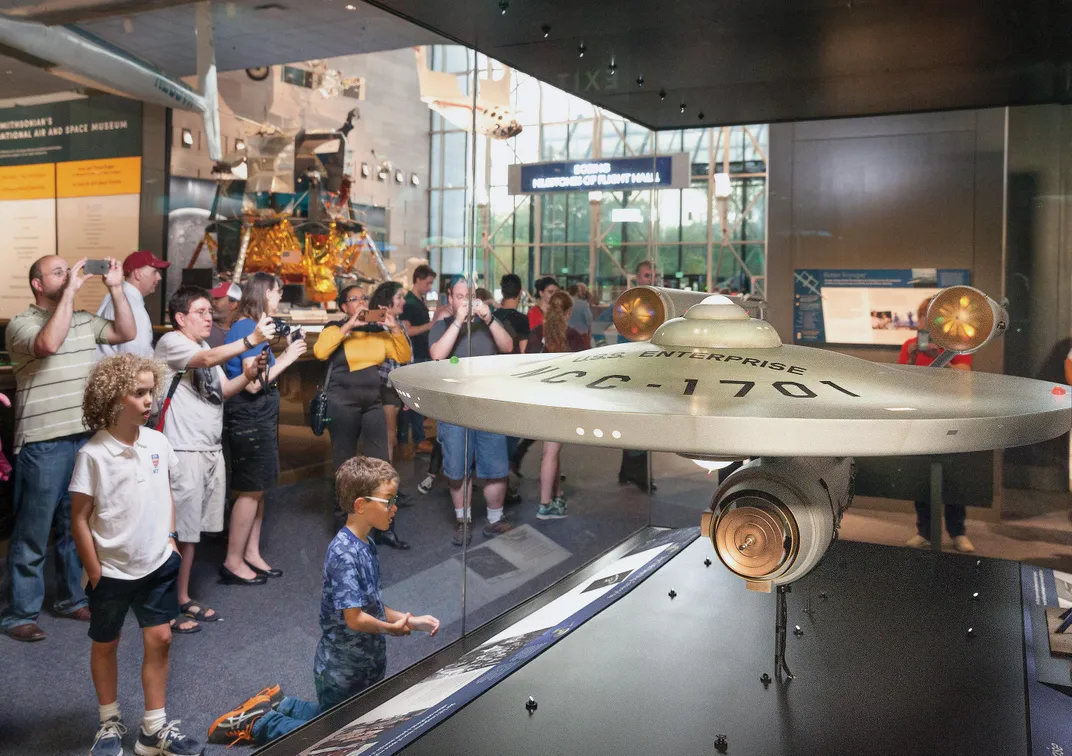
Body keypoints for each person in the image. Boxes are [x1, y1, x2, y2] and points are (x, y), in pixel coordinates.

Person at [206, 457, 439, 747]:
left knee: (344, 722)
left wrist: (408, 619)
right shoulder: (343, 553)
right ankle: (260, 722)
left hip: (365, 663)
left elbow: (371, 605)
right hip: (342, 669)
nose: (394, 508)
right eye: (388, 501)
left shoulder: (366, 543)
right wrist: (391, 630)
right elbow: (354, 618)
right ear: (360, 506)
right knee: (333, 740)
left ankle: (282, 704)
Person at [70, 354, 203, 756]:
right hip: (109, 571)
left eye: (151, 392)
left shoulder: (158, 442)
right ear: (113, 399)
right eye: (139, 393)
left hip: (158, 563)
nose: (150, 401)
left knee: (161, 638)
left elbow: (166, 493)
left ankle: (153, 729)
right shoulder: (93, 454)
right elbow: (79, 518)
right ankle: (109, 722)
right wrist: (94, 569)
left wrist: (171, 540)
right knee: (106, 643)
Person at [1, 256, 137, 643]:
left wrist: (115, 287)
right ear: (37, 285)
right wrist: (71, 294)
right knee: (33, 531)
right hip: (43, 442)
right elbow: (47, 344)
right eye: (58, 271)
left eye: (68, 269)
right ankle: (20, 613)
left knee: (76, 526)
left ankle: (69, 599)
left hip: (84, 438)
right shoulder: (21, 323)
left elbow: (125, 331)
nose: (69, 274)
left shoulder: (83, 318)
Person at [154, 286, 275, 631]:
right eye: (201, 312)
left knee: (192, 533)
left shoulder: (206, 345)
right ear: (180, 318)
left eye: (210, 311)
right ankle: (165, 609)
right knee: (175, 533)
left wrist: (249, 374)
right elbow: (205, 362)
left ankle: (181, 598)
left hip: (209, 448)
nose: (209, 317)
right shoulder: (172, 343)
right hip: (183, 449)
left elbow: (222, 391)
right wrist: (250, 340)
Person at [220, 272, 307, 584]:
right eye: (276, 291)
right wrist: (287, 357)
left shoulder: (252, 326)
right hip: (248, 416)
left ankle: (251, 553)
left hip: (259, 417)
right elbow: (254, 385)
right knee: (249, 490)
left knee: (258, 489)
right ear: (263, 293)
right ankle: (233, 560)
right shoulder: (246, 327)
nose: (279, 296)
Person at [314, 284, 411, 550]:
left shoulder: (377, 332)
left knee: (383, 470)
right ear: (344, 307)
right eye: (353, 299)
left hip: (372, 405)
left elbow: (403, 355)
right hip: (341, 405)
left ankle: (386, 528)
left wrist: (393, 327)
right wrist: (349, 326)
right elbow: (320, 352)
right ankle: (343, 530)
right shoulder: (335, 330)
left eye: (363, 298)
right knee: (344, 469)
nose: (361, 302)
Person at [429, 277, 515, 545]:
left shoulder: (489, 324)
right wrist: (457, 321)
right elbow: (437, 355)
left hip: (488, 406)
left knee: (496, 466)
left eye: (470, 296)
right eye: (459, 296)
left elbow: (508, 347)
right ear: (451, 299)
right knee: (457, 468)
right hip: (454, 408)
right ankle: (463, 521)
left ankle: (495, 519)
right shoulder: (443, 326)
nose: (465, 301)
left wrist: (489, 319)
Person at [900, 296, 975, 553]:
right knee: (922, 478)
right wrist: (912, 358)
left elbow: (964, 375)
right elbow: (900, 381)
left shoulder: (957, 345)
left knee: (953, 479)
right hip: (922, 417)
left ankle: (957, 532)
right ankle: (925, 531)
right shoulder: (910, 345)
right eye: (924, 317)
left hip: (951, 416)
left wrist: (942, 358)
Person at [525, 291, 586, 520]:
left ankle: (556, 493)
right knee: (550, 452)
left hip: (538, 400)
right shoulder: (573, 337)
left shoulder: (535, 335)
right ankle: (545, 505)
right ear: (569, 313)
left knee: (552, 450)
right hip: (561, 401)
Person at [619, 260, 658, 492]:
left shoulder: (658, 302)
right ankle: (638, 475)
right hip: (634, 368)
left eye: (652, 274)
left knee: (638, 422)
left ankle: (627, 472)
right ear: (637, 277)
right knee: (638, 423)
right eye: (646, 275)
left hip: (648, 366)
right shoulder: (630, 304)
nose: (650, 278)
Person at [369, 281, 411, 466]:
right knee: (388, 436)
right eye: (399, 297)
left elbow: (405, 359)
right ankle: (385, 485)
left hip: (394, 387)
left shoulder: (397, 324)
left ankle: (386, 482)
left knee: (389, 436)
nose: (404, 301)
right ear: (387, 300)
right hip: (383, 386)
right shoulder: (378, 325)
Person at [97, 250, 170, 358]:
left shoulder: (110, 298)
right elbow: (134, 358)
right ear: (138, 274)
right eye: (154, 272)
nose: (159, 277)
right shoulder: (132, 307)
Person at [399, 265, 437, 454]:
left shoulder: (417, 301)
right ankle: (416, 438)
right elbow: (407, 330)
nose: (430, 287)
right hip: (414, 354)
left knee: (414, 399)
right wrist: (430, 325)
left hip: (420, 353)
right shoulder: (410, 303)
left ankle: (408, 437)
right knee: (414, 400)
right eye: (428, 282)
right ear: (418, 279)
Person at [493, 273, 530, 354]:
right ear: (520, 292)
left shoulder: (492, 317)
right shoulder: (522, 319)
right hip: (514, 363)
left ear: (502, 292)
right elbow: (523, 351)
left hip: (494, 363)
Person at [207, 281, 242, 348]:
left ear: (233, 304)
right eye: (212, 298)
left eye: (217, 299)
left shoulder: (240, 331)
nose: (212, 302)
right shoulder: (203, 325)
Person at [567, 283, 594, 349]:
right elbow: (589, 319)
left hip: (567, 336)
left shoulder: (564, 303)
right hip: (582, 336)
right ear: (577, 292)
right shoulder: (583, 304)